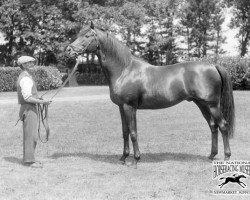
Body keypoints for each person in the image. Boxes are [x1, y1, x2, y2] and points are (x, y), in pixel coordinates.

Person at [16, 56, 51, 168]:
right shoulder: (25, 78)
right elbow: (27, 98)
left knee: (30, 135)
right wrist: (43, 102)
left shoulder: (25, 76)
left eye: (32, 62)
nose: (32, 64)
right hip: (29, 108)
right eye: (29, 63)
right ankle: (30, 161)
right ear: (24, 65)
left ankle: (29, 159)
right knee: (31, 136)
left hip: (28, 107)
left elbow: (30, 96)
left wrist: (39, 99)